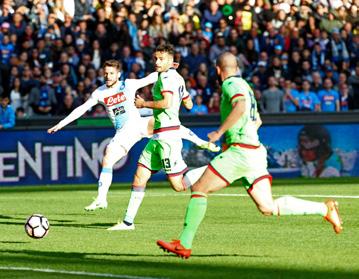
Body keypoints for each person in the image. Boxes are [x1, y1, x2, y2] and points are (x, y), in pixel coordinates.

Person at [157, 52, 343, 259]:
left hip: (240, 151)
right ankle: (324, 209)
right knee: (268, 207)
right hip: (254, 152)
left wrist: (219, 133)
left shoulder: (230, 84)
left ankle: (184, 243)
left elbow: (240, 106)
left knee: (199, 188)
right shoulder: (247, 86)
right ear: (236, 68)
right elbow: (257, 120)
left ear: (218, 70)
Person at [48, 59, 219, 211]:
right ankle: (101, 199)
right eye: (106, 73)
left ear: (118, 74)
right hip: (124, 133)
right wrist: (61, 124)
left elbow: (150, 78)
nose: (108, 76)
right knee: (107, 158)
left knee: (168, 124)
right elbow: (81, 109)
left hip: (138, 124)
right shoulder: (99, 93)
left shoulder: (128, 84)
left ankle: (202, 142)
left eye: (111, 73)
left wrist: (168, 69)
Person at [108, 44, 213, 231]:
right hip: (157, 136)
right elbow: (188, 104)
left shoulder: (166, 78)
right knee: (140, 176)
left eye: (161, 59)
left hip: (168, 138)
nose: (157, 62)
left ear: (171, 61)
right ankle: (127, 222)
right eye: (155, 58)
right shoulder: (177, 78)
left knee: (179, 185)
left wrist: (143, 104)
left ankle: (215, 167)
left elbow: (166, 103)